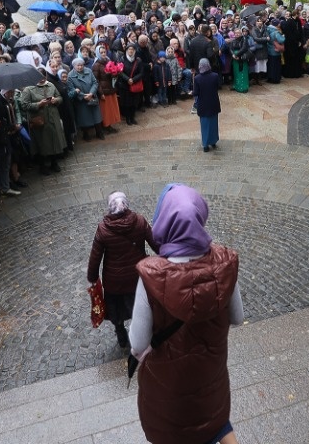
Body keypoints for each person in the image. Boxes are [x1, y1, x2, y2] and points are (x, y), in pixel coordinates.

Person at [129, 183, 243, 444]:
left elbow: (138, 344)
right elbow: (237, 317)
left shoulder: (150, 276)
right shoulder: (224, 264)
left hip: (168, 398)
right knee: (217, 425)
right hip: (210, 383)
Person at [86, 192, 155, 347]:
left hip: (114, 282)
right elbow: (156, 244)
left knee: (116, 310)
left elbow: (95, 257)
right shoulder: (139, 221)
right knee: (138, 307)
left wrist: (92, 277)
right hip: (138, 278)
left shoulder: (103, 229)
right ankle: (141, 336)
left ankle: (121, 334)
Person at [193, 58, 221, 152]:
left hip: (203, 105)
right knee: (213, 124)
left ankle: (205, 144)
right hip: (213, 103)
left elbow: (195, 92)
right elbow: (218, 87)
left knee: (204, 125)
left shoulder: (197, 78)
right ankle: (213, 141)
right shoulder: (215, 75)